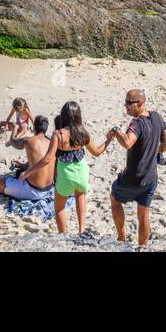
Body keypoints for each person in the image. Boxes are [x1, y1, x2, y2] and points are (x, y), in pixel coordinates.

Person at [88, 88, 166, 247]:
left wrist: (116, 130)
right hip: (151, 177)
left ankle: (121, 237)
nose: (125, 106)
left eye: (128, 103)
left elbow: (127, 143)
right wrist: (157, 153)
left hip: (134, 178)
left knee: (115, 198)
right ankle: (142, 247)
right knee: (143, 213)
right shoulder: (157, 117)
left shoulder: (137, 123)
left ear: (140, 103)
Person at [45, 101, 105, 235]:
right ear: (78, 116)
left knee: (59, 208)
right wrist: (108, 140)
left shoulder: (58, 134)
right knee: (80, 196)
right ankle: (81, 230)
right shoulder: (83, 133)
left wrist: (29, 172)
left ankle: (63, 235)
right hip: (82, 170)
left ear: (64, 116)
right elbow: (96, 152)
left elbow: (48, 159)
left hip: (66, 173)